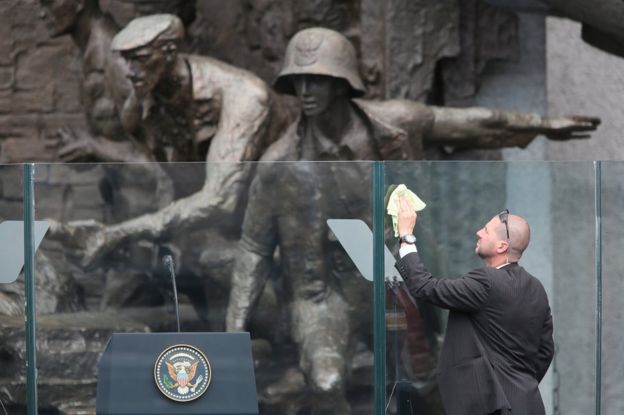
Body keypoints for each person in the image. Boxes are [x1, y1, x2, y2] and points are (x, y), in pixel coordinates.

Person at [225, 26, 591, 414]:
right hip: (324, 293)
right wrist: (233, 333)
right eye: (298, 80)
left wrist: (538, 125)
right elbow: (253, 248)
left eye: (317, 79)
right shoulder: (278, 165)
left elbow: (468, 123)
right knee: (326, 382)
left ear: (341, 82)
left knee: (427, 379)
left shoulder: (391, 126)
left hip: (393, 281)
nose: (304, 91)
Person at [395, 200, 555, 415]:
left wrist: (406, 237)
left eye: (486, 231)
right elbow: (545, 350)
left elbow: (426, 287)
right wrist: (520, 383)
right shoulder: (536, 288)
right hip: (529, 404)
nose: (478, 232)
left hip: (491, 407)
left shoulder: (486, 281)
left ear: (501, 247)